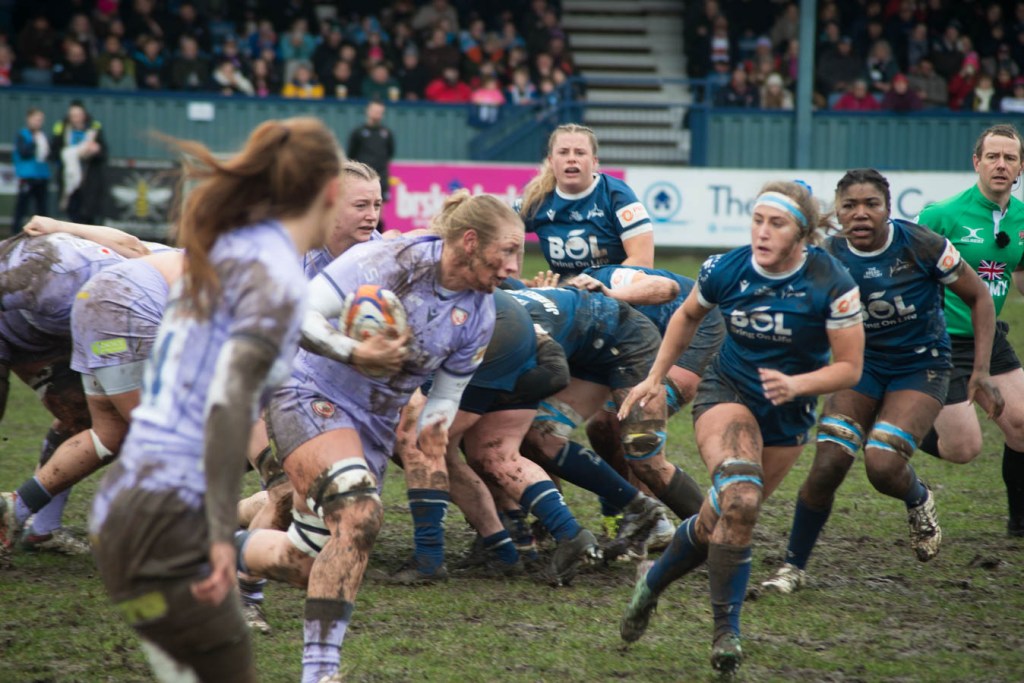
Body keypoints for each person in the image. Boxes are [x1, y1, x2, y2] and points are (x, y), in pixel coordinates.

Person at [86, 117, 344, 682]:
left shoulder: (234, 245)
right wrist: (215, 538)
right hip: (168, 522)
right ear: (330, 190)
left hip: (121, 512)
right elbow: (228, 401)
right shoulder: (276, 276)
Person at [247, 191, 521, 683]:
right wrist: (353, 352)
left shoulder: (479, 314)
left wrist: (435, 431)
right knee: (360, 514)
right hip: (307, 392)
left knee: (307, 563)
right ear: (471, 241)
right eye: (508, 251)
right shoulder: (392, 260)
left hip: (370, 428)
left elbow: (447, 393)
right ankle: (321, 672)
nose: (514, 268)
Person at [616, 180, 864, 675]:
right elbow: (688, 315)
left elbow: (851, 367)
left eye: (777, 224)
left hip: (788, 412)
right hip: (728, 392)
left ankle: (653, 582)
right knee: (742, 498)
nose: (763, 232)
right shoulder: (726, 268)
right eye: (757, 220)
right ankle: (726, 633)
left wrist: (800, 384)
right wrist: (655, 375)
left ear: (801, 234)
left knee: (725, 518)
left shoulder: (830, 282)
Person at [762, 169, 1001, 595]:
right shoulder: (826, 254)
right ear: (836, 211)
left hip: (920, 366)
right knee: (828, 464)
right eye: (850, 205)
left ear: (888, 208)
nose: (860, 213)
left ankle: (917, 496)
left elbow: (979, 296)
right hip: (860, 368)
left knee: (882, 465)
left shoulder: (921, 245)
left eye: (871, 204)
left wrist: (980, 369)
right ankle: (792, 567)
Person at [0, 224, 144, 553]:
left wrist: (58, 225)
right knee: (114, 425)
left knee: (94, 424)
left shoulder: (156, 264)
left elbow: (131, 244)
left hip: (76, 331)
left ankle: (38, 526)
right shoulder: (43, 279)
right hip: (28, 332)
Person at [916, 124, 1024, 537]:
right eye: (992, 157)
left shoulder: (1021, 220)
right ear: (976, 162)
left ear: (1019, 168)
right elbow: (911, 278)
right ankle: (897, 430)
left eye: (1009, 158)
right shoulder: (941, 215)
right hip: (942, 341)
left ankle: (1019, 523)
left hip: (989, 337)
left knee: (1022, 428)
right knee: (964, 449)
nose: (1001, 165)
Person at [518, 124, 653, 277]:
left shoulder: (617, 196)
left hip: (613, 295)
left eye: (580, 153)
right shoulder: (537, 198)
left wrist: (596, 286)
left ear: (594, 162)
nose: (571, 159)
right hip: (563, 297)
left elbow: (643, 262)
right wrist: (515, 282)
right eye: (563, 152)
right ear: (551, 161)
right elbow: (497, 230)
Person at [51, 100, 107, 225]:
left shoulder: (94, 129)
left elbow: (104, 152)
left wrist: (96, 150)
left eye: (78, 115)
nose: (75, 119)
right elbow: (54, 151)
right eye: (72, 116)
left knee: (88, 213)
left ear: (84, 115)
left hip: (88, 178)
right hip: (69, 178)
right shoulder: (62, 128)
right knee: (71, 212)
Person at [347, 100, 395, 211]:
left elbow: (390, 153)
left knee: (379, 209)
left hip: (381, 176)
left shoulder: (386, 133)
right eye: (374, 111)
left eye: (380, 111)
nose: (377, 114)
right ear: (368, 111)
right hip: (361, 176)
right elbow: (351, 155)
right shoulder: (358, 132)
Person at [12, 108, 51, 236]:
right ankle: (16, 232)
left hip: (42, 175)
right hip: (27, 176)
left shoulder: (43, 136)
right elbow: (23, 152)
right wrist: (34, 142)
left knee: (42, 207)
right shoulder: (23, 135)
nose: (38, 122)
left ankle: (43, 233)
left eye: (40, 120)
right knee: (22, 207)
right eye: (36, 119)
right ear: (29, 119)